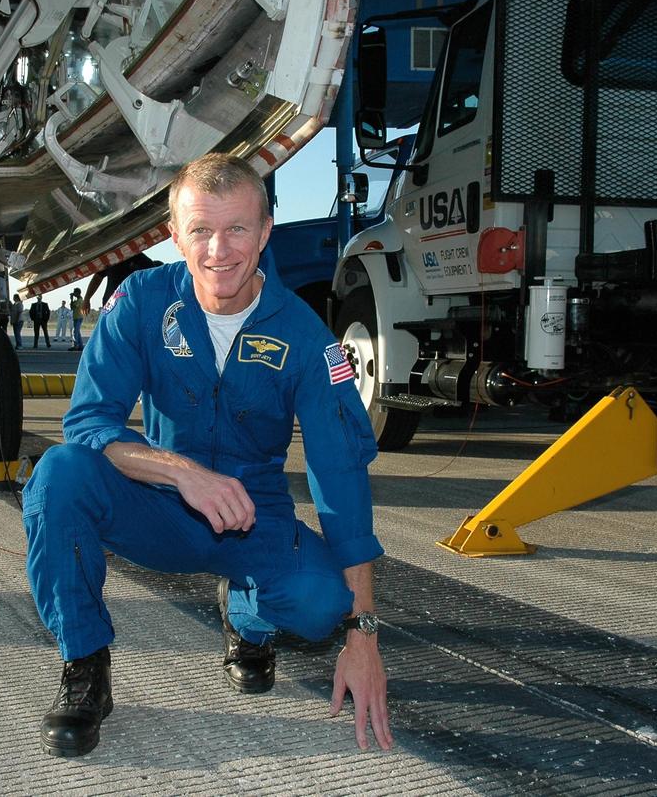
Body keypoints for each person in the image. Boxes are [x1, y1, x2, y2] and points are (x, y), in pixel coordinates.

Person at [22, 153, 390, 758]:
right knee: (57, 476)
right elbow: (88, 422)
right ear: (175, 235)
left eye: (237, 228)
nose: (219, 250)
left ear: (265, 231)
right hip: (159, 504)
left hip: (251, 515)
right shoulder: (141, 303)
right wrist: (182, 473)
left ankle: (246, 617)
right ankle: (85, 665)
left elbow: (341, 478)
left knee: (321, 601)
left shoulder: (306, 338)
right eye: (200, 230)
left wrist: (363, 636)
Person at [82, 253, 158, 316]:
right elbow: (97, 278)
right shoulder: (111, 258)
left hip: (132, 309)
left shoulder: (142, 260)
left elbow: (155, 281)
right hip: (109, 307)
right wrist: (87, 299)